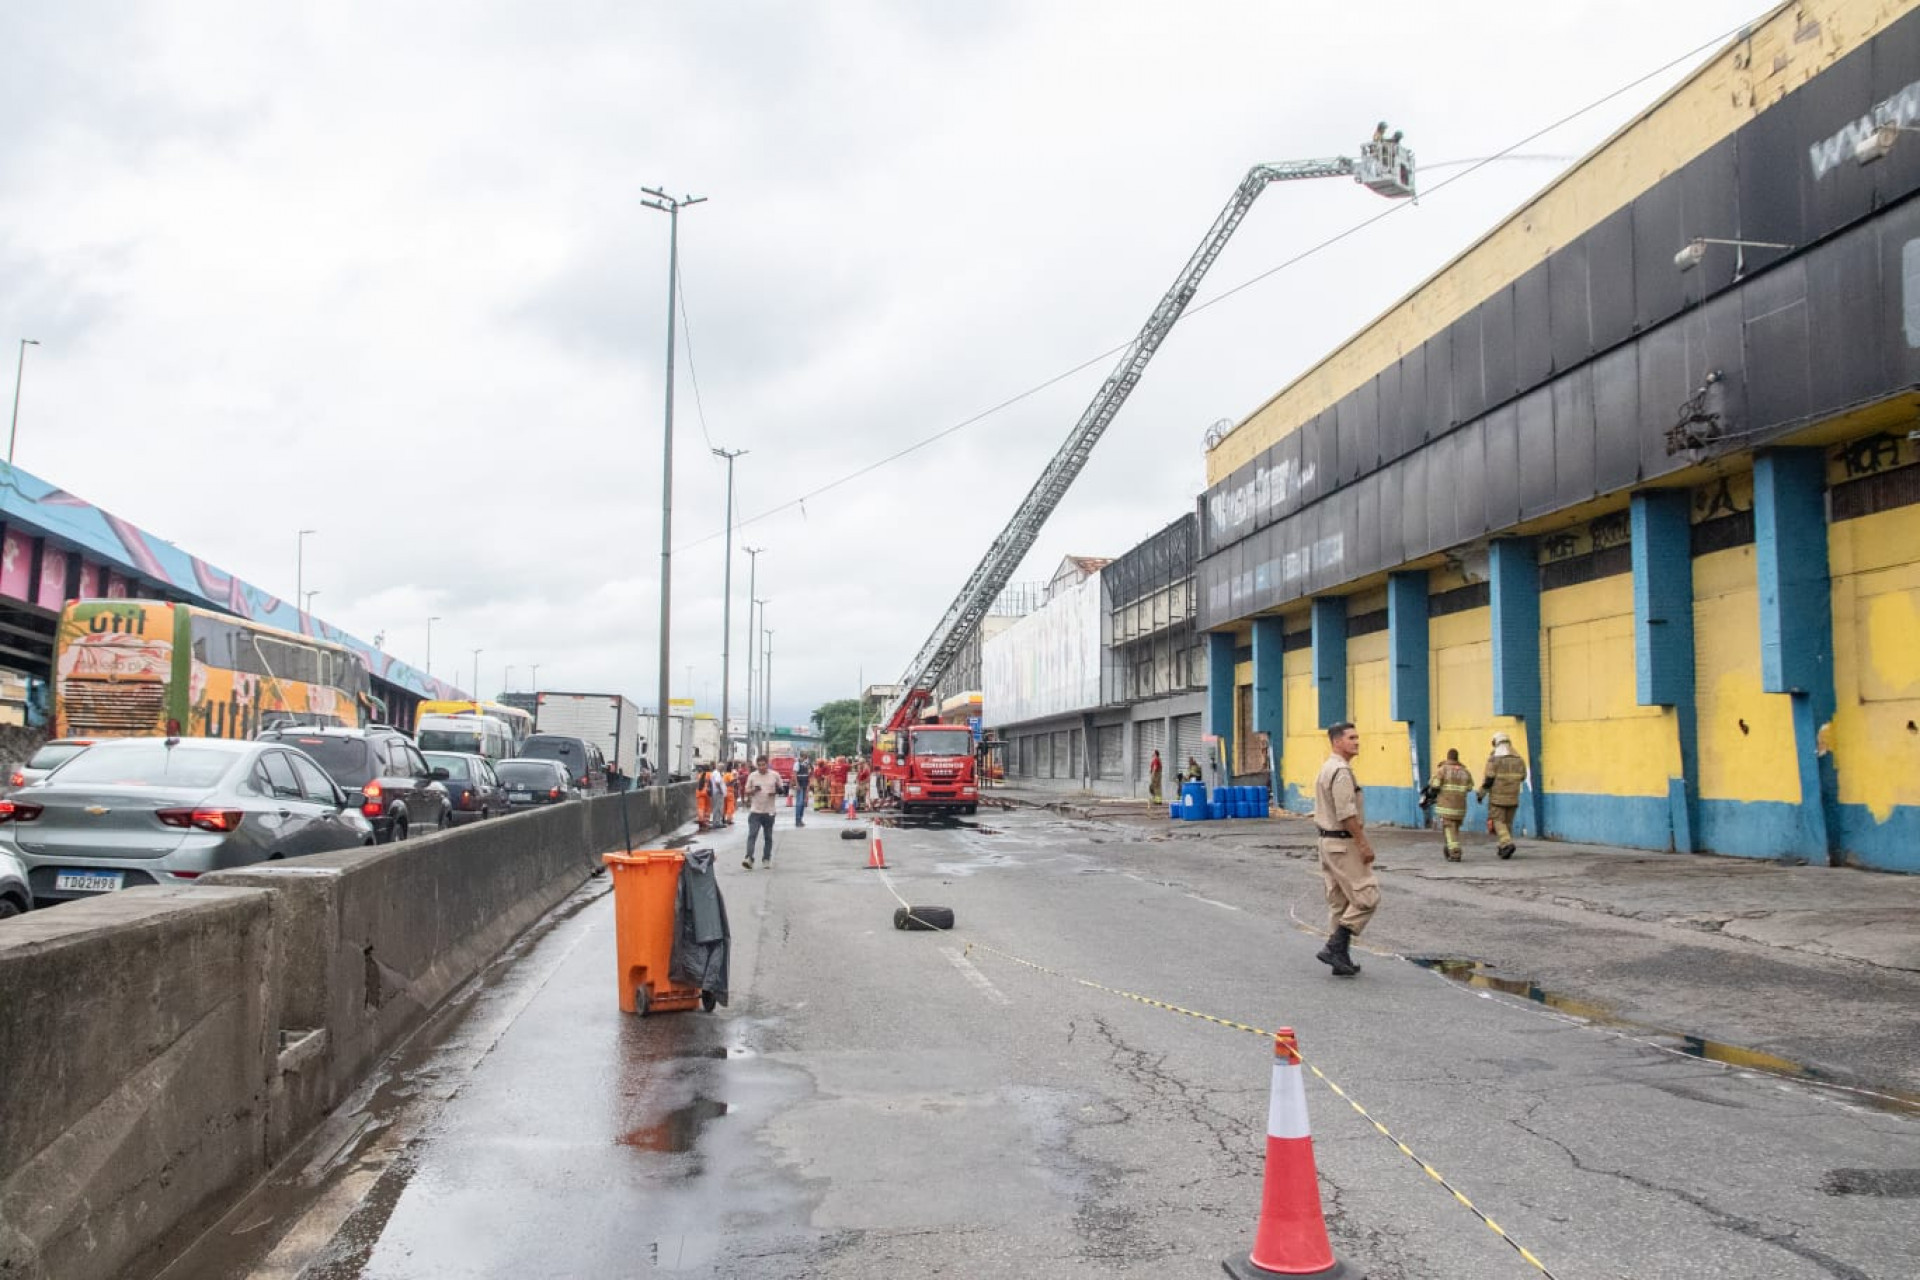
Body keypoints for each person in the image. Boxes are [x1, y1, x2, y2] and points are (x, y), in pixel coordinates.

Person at [1312, 722, 1376, 978]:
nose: (1357, 742)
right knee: (1366, 897)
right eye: (1351, 738)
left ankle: (1341, 957)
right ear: (1337, 742)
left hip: (1327, 841)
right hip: (1342, 842)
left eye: (1357, 737)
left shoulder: (1327, 768)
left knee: (1340, 901)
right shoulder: (1340, 771)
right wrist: (1362, 843)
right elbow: (1346, 813)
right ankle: (1335, 946)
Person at [1478, 732, 1529, 859]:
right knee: (1508, 823)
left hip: (1497, 798)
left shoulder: (1494, 759)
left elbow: (1489, 779)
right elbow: (1523, 777)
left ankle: (1507, 843)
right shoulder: (1519, 759)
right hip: (1513, 797)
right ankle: (1503, 847)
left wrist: (1481, 794)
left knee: (1498, 821)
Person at [1422, 748, 1475, 862]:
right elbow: (1470, 787)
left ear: (1448, 757)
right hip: (1460, 807)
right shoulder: (1465, 771)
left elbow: (1435, 785)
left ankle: (1455, 851)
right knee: (1454, 829)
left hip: (1447, 806)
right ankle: (1450, 847)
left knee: (1448, 828)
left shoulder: (1443, 769)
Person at [741, 755, 781, 870]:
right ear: (756, 765)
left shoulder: (774, 775)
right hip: (755, 811)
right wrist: (754, 790)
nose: (761, 767)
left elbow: (781, 789)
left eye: (763, 765)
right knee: (752, 835)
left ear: (767, 764)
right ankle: (749, 858)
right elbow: (746, 790)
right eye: (759, 765)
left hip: (769, 811)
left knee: (768, 836)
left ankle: (766, 859)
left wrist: (775, 792)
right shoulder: (752, 776)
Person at [793, 755, 812, 827]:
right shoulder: (797, 764)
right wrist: (797, 784)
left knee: (803, 803)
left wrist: (808, 786)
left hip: (805, 785)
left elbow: (808, 776)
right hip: (800, 786)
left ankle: (800, 819)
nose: (805, 759)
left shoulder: (807, 765)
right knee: (799, 803)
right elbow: (794, 774)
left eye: (805, 758)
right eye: (804, 757)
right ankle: (797, 820)